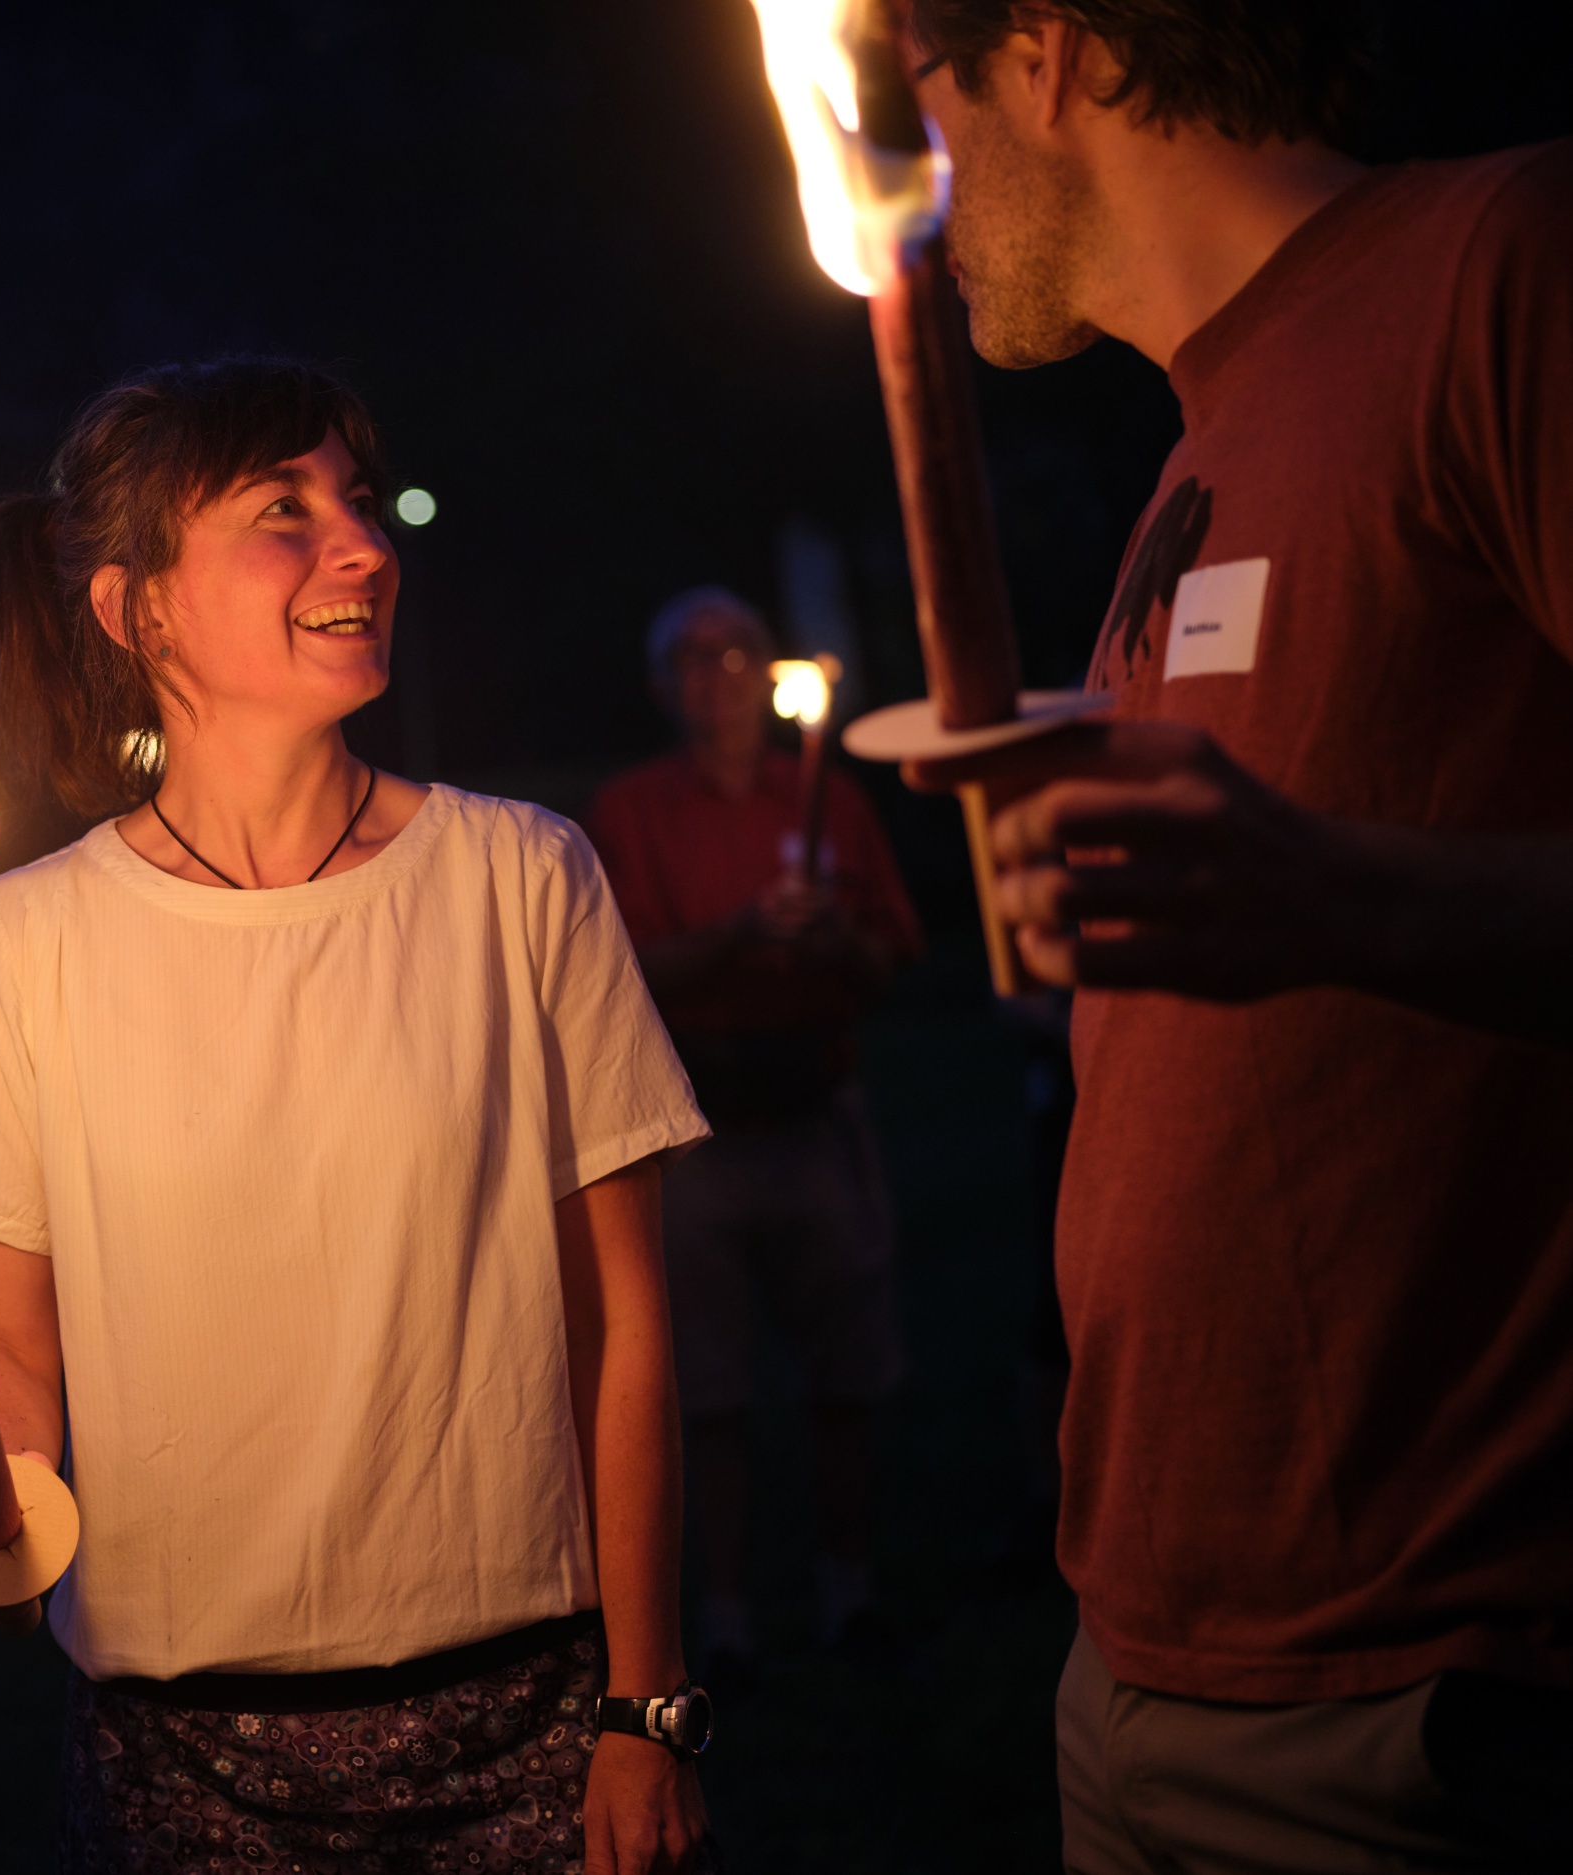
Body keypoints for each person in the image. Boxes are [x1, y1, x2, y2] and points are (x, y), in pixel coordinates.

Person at [898, 0, 1573, 1864]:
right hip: (1140, 1644)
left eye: (922, 98)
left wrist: (1332, 893)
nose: (915, 184)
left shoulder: (1502, 263)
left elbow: (1317, 883)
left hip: (1430, 1685)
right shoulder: (1199, 444)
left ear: (1049, 53)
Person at [0, 359, 715, 1873]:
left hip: (534, 1726)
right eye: (282, 512)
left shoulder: (519, 879)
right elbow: (12, 1344)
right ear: (138, 610)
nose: (363, 546)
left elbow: (620, 1321)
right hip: (180, 1762)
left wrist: (647, 1706)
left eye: (357, 502)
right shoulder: (24, 942)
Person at [584, 590, 923, 1687]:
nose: (716, 677)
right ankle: (722, 1612)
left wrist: (833, 940)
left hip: (817, 1113)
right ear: (659, 688)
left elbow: (888, 964)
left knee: (845, 1370)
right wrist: (739, 935)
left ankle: (850, 1586)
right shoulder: (630, 812)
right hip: (697, 1132)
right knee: (706, 1384)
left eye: (737, 655)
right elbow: (618, 973)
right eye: (692, 659)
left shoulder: (829, 801)